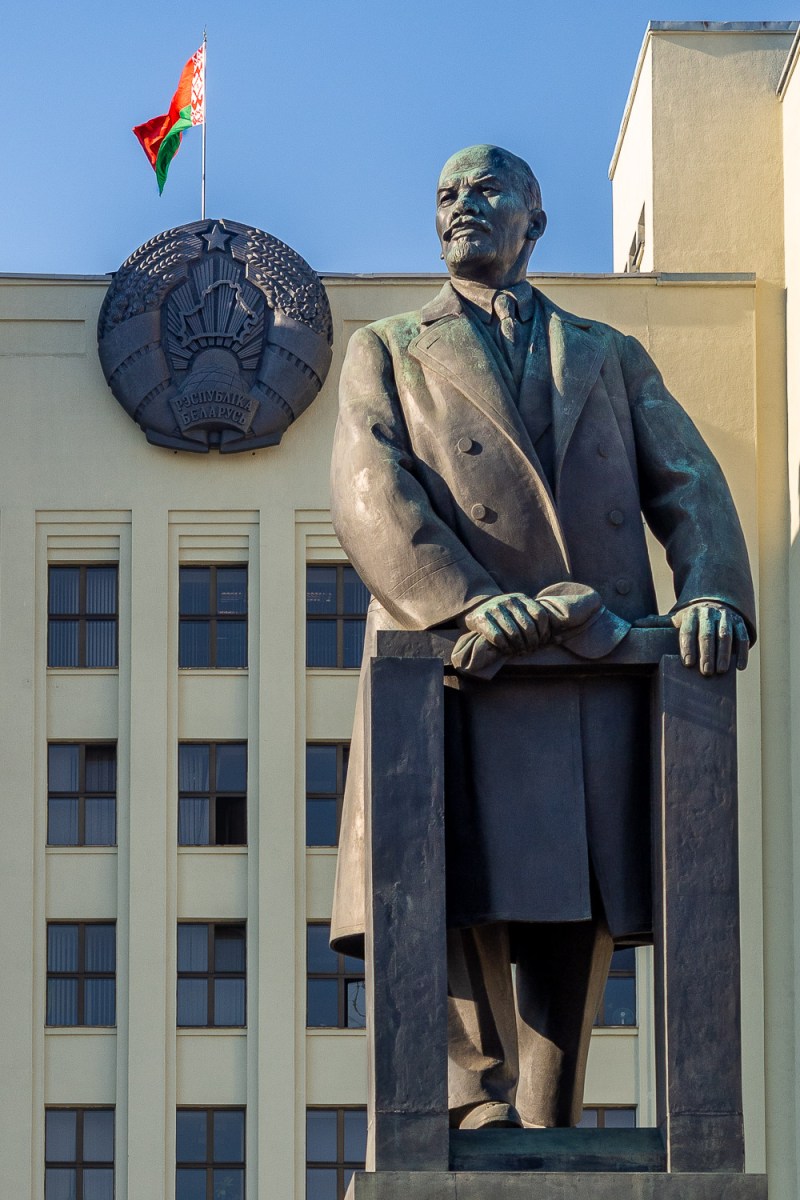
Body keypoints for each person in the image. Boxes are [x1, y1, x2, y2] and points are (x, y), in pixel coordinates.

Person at [328, 144, 755, 1130]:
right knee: (448, 875)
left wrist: (712, 594)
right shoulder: (389, 347)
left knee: (574, 885)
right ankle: (469, 1100)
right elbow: (369, 486)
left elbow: (686, 480)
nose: (460, 206)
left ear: (534, 220)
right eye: (446, 193)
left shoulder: (605, 352)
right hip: (458, 661)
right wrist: (467, 600)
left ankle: (546, 1119)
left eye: (484, 190)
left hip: (588, 660)